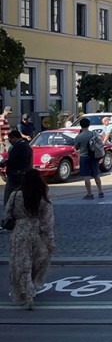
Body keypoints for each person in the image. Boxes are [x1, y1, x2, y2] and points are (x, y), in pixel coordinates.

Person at [4, 169, 54, 310]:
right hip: (37, 232)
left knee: (21, 264)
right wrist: (50, 241)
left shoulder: (15, 196)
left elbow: (7, 215)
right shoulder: (43, 198)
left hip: (19, 233)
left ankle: (27, 293)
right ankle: (32, 286)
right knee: (36, 263)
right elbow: (48, 223)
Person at [73, 117, 104, 200]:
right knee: (96, 174)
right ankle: (100, 192)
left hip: (84, 156)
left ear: (80, 125)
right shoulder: (94, 134)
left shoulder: (79, 137)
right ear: (89, 125)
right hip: (94, 156)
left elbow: (76, 147)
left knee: (86, 176)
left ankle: (89, 194)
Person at [3, 130, 32, 205]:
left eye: (10, 139)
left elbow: (12, 161)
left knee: (9, 198)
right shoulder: (27, 146)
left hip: (15, 176)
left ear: (15, 138)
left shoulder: (17, 147)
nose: (9, 141)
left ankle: (9, 213)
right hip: (24, 174)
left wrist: (4, 163)